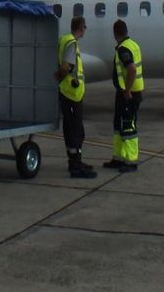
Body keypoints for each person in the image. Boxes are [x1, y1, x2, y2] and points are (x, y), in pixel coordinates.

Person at [55, 16, 97, 178]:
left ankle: (75, 161)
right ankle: (75, 166)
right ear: (80, 27)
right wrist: (59, 78)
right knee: (76, 130)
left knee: (72, 128)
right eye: (85, 27)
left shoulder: (65, 40)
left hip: (69, 94)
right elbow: (66, 67)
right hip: (71, 95)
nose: (85, 29)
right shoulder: (71, 43)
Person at [102, 19, 143, 172]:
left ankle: (131, 161)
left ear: (115, 33)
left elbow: (132, 69)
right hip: (127, 93)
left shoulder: (123, 49)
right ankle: (118, 158)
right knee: (118, 126)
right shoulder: (133, 45)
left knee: (128, 126)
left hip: (128, 94)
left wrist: (127, 90)